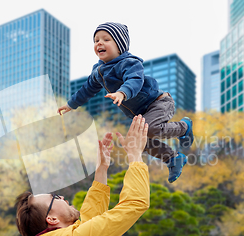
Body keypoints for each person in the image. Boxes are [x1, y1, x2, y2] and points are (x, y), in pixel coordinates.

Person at [57, 22, 194, 183]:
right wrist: (71, 104)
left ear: (120, 46)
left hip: (159, 103)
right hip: (142, 113)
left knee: (150, 129)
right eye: (96, 40)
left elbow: (134, 80)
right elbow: (87, 89)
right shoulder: (97, 72)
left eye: (106, 39)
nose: (99, 43)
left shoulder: (129, 63)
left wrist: (122, 92)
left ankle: (184, 128)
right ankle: (173, 158)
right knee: (136, 141)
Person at [16, 115, 150, 236]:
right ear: (52, 219)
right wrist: (135, 155)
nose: (62, 197)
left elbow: (89, 221)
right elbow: (135, 203)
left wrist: (101, 169)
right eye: (55, 198)